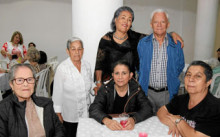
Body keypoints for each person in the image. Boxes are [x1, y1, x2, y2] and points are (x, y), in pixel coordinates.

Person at [94, 6, 184, 94]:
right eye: (123, 18)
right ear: (115, 19)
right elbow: (99, 64)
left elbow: (158, 34)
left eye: (129, 19)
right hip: (110, 86)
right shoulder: (106, 39)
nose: (126, 22)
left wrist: (172, 34)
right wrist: (98, 83)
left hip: (130, 87)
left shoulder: (136, 38)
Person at [138, 9, 185, 114]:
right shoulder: (142, 43)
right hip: (147, 93)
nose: (159, 25)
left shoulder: (176, 44)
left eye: (162, 22)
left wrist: (171, 78)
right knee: (146, 123)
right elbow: (138, 67)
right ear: (151, 24)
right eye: (156, 22)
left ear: (168, 24)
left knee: (166, 125)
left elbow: (180, 66)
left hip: (167, 94)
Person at [157, 61, 220, 137]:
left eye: (198, 76)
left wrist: (178, 120)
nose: (191, 79)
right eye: (188, 75)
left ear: (208, 82)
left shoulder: (215, 108)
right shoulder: (180, 99)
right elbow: (161, 111)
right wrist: (171, 123)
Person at [0, 63, 64, 137]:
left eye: (29, 79)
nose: (25, 84)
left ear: (34, 82)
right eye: (20, 80)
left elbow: (59, 130)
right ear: (11, 84)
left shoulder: (47, 104)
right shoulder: (3, 109)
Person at [89, 60, 153, 131]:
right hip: (109, 128)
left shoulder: (136, 89)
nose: (120, 77)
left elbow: (148, 108)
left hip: (130, 129)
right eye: (117, 73)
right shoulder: (105, 88)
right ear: (112, 75)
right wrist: (106, 120)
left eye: (124, 73)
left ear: (130, 75)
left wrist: (134, 119)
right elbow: (94, 109)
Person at [52, 37, 95, 137]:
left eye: (79, 49)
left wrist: (94, 88)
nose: (77, 52)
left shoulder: (87, 65)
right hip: (70, 114)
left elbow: (89, 82)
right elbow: (57, 92)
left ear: (83, 50)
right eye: (73, 49)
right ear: (68, 51)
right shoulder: (62, 68)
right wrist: (58, 113)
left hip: (86, 112)